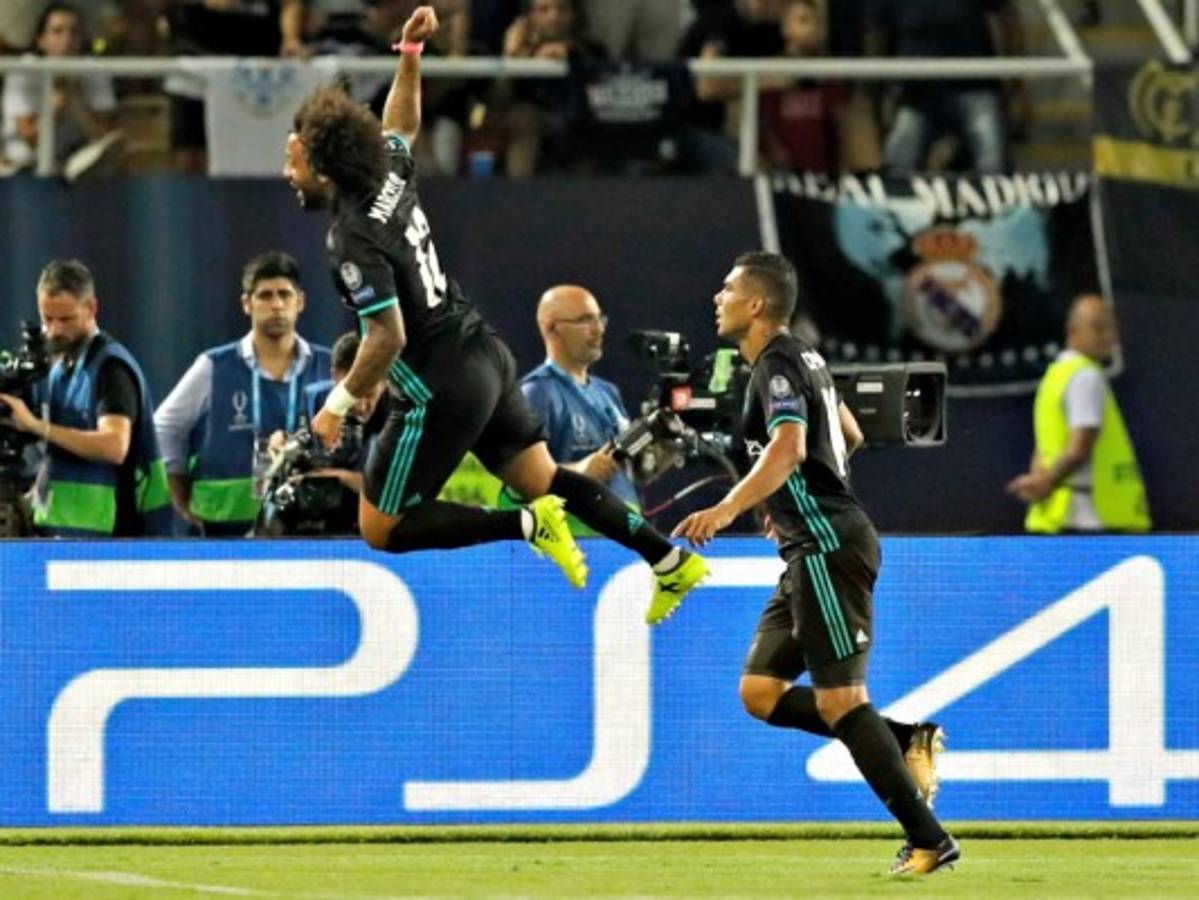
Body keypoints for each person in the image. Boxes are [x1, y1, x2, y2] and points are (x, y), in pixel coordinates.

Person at [283, 4, 706, 624]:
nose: (286, 173)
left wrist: (336, 406)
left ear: (323, 169)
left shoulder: (349, 237)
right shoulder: (388, 172)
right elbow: (401, 124)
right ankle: (669, 562)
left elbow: (387, 337)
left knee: (379, 527)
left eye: (292, 162)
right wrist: (409, 57)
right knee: (545, 475)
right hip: (483, 352)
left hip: (437, 385)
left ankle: (526, 525)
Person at [673, 251, 958, 876]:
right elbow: (848, 435)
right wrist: (782, 499)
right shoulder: (806, 358)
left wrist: (728, 507)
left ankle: (929, 839)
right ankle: (905, 737)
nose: (716, 297)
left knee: (839, 702)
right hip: (812, 545)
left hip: (827, 546)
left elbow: (791, 444)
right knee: (761, 693)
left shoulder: (776, 362)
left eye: (726, 288)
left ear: (755, 305)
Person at [154, 251, 332, 536]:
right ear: (247, 304)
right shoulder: (213, 367)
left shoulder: (328, 367)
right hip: (221, 534)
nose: (276, 305)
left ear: (300, 302)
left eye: (285, 295)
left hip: (308, 531)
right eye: (265, 296)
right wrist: (180, 499)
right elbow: (163, 429)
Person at [0, 259, 172, 537]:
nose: (55, 330)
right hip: (68, 534)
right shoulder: (58, 370)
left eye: (66, 320)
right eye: (47, 319)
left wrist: (36, 426)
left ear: (91, 308)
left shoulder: (110, 368)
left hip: (118, 539)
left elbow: (114, 446)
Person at [1007, 294, 1151, 533]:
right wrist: (1046, 483)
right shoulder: (1086, 376)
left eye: (1111, 328)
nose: (1109, 337)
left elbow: (1044, 448)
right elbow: (1079, 447)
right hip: (1091, 517)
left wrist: (1041, 480)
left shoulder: (1056, 375)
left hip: (1060, 513)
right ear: (1073, 332)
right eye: (1098, 328)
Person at [519, 285, 638, 532]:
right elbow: (520, 476)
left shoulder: (608, 393)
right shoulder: (536, 393)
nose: (599, 329)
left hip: (623, 536)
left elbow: (623, 473)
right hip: (573, 540)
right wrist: (579, 470)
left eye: (599, 318)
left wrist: (654, 461)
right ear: (552, 328)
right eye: (585, 320)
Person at [864, 0, 1028, 174]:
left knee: (993, 165)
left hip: (975, 86)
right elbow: (878, 40)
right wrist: (875, 101)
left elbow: (1009, 18)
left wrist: (1016, 87)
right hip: (917, 95)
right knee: (898, 165)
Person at [1, 3, 124, 179]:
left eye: (74, 32)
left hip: (73, 165)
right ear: (41, 40)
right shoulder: (24, 71)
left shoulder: (95, 70)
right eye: (57, 32)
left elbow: (104, 137)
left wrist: (74, 100)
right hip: (23, 167)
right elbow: (31, 138)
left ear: (82, 38)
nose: (67, 40)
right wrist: (56, 101)